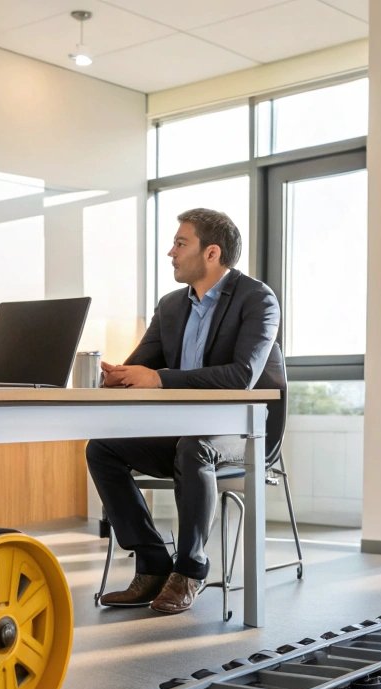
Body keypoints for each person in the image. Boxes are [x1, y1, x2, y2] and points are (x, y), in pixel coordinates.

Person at [88, 208, 285, 615]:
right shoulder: (172, 306)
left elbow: (242, 376)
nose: (170, 253)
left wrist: (158, 379)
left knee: (194, 447)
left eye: (181, 244)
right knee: (102, 448)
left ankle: (191, 568)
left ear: (211, 253)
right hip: (184, 432)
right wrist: (117, 376)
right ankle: (153, 561)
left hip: (245, 432)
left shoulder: (257, 299)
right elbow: (140, 364)